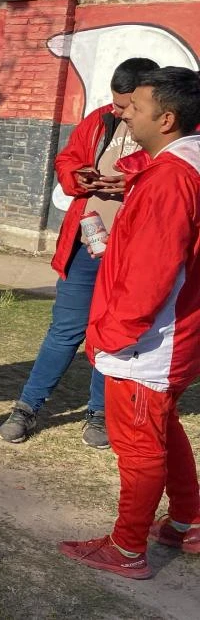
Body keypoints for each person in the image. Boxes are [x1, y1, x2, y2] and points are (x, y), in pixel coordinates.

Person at [57, 67, 200, 579]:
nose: (125, 114)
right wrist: (130, 183)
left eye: (134, 107)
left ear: (166, 118)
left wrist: (115, 334)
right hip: (173, 333)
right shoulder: (181, 163)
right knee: (162, 424)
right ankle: (188, 517)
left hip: (150, 339)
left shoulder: (171, 179)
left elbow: (153, 270)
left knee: (139, 442)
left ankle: (126, 547)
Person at [0, 57, 160, 449]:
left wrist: (133, 186)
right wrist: (78, 174)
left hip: (132, 252)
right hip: (86, 245)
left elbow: (172, 179)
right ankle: (27, 406)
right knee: (65, 330)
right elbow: (67, 158)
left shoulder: (171, 131)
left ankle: (99, 413)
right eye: (116, 103)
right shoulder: (102, 119)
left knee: (111, 337)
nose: (119, 112)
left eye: (127, 106)